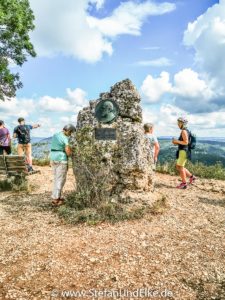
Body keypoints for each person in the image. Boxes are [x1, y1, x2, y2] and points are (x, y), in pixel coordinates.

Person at [50, 124, 76, 206]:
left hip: (53, 158)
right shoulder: (65, 138)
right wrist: (72, 154)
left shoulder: (55, 135)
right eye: (70, 133)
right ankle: (56, 199)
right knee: (60, 179)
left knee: (56, 178)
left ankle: (57, 196)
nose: (70, 135)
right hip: (61, 159)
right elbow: (68, 151)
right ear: (68, 131)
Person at [172, 117, 196, 189]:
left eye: (179, 123)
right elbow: (184, 142)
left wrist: (176, 141)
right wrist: (176, 142)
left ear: (182, 124)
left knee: (180, 167)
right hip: (183, 150)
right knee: (178, 166)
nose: (178, 124)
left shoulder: (184, 131)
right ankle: (192, 177)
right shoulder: (186, 131)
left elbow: (186, 142)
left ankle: (184, 184)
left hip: (183, 151)